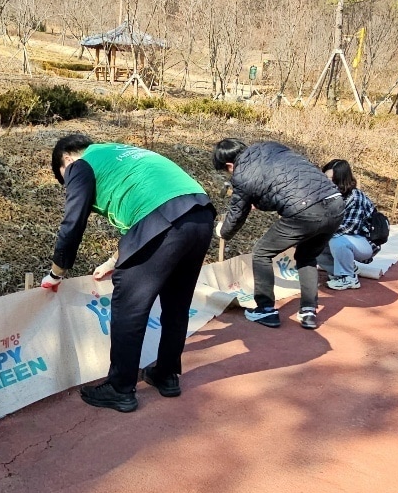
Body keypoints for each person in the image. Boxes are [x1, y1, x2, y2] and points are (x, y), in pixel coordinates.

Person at [41, 135, 214, 412]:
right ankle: (166, 375)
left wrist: (57, 271)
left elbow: (73, 221)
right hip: (200, 213)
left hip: (162, 219)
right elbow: (143, 213)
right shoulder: (118, 153)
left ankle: (120, 388)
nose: (69, 183)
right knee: (177, 303)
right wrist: (113, 261)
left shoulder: (78, 165)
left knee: (129, 305)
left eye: (65, 179)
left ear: (67, 159)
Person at [212, 139, 344, 331]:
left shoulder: (241, 175)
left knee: (261, 252)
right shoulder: (270, 147)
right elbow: (285, 186)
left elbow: (237, 215)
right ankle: (308, 311)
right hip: (336, 203)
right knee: (306, 256)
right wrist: (261, 203)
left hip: (305, 211)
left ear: (230, 165)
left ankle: (265, 309)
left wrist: (222, 231)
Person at [318, 159, 380, 291]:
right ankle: (341, 271)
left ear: (341, 180)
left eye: (331, 179)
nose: (327, 182)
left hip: (364, 243)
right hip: (343, 237)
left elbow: (348, 228)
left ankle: (348, 277)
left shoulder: (355, 197)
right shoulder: (325, 194)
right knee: (309, 244)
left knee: (337, 239)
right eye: (325, 177)